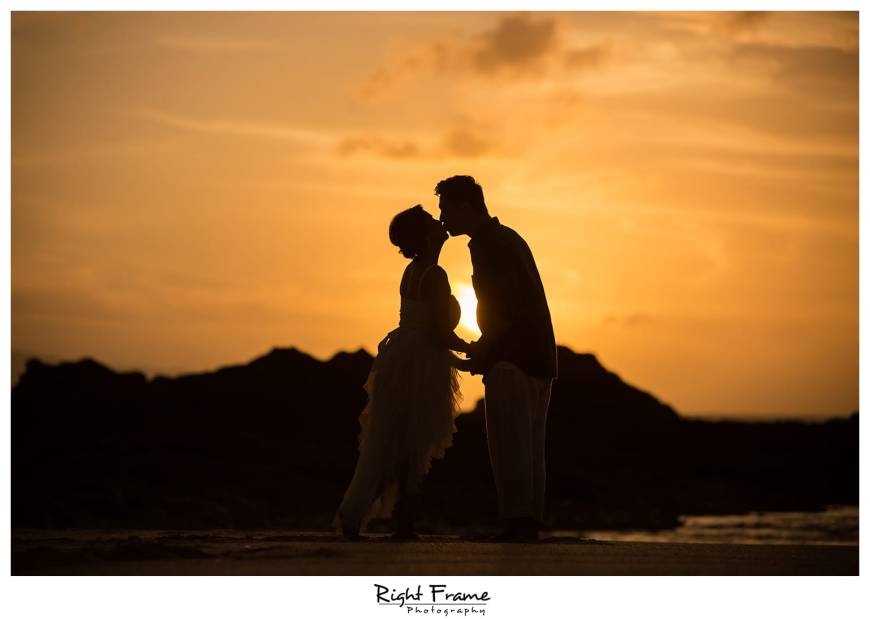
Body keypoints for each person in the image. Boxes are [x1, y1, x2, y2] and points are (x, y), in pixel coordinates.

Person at [335, 205, 469, 540]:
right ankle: (403, 524)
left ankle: (366, 515)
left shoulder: (412, 271)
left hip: (401, 355)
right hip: (421, 361)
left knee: (391, 439)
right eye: (430, 220)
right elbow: (440, 331)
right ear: (425, 234)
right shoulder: (434, 275)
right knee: (414, 442)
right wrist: (472, 350)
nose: (439, 222)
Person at [436, 175, 558, 542]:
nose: (442, 218)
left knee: (510, 443)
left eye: (446, 209)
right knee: (531, 446)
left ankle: (518, 522)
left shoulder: (487, 245)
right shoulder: (510, 238)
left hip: (513, 360)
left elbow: (505, 310)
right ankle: (528, 521)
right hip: (539, 358)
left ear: (464, 206)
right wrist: (481, 349)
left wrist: (483, 351)